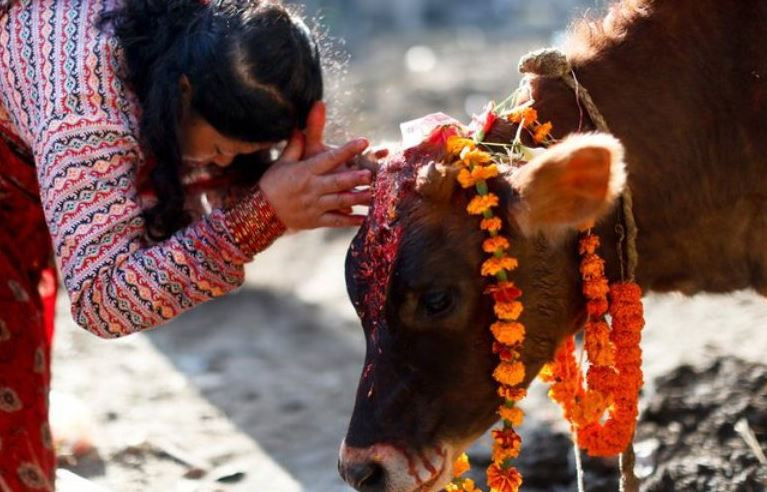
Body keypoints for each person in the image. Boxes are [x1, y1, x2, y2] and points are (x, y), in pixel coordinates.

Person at [0, 0, 379, 489]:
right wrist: (260, 216)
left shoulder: (203, 31)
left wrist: (304, 176)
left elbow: (195, 174)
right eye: (223, 149)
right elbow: (103, 297)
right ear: (181, 91)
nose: (224, 164)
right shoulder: (86, 115)